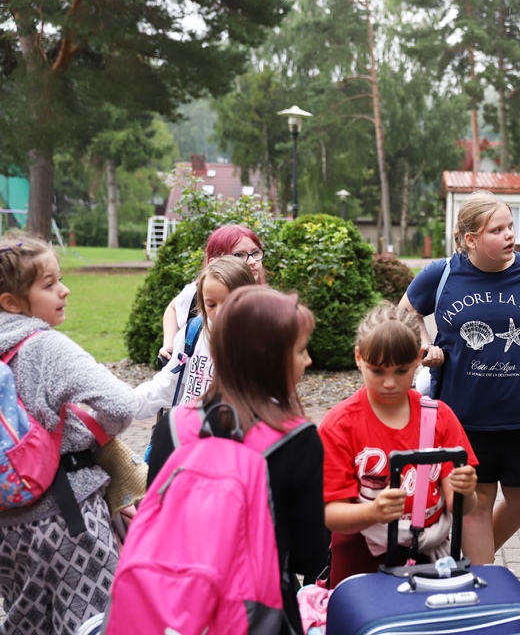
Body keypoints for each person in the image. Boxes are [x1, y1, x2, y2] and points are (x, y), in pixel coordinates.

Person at [400, 190, 520, 564]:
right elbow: (406, 311)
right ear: (470, 239)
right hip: (464, 419)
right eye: (497, 230)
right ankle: (482, 574)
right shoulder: (443, 274)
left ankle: (466, 561)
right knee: (477, 503)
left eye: (510, 226)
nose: (510, 234)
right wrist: (426, 345)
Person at [146, 286, 327, 634]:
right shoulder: (297, 439)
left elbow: (156, 524)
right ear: (269, 357)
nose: (308, 361)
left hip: (179, 611)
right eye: (301, 350)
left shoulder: (174, 426)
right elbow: (309, 556)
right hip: (261, 613)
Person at [0, 236, 144, 635]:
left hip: (7, 531)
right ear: (12, 302)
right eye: (49, 284)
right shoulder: (46, 347)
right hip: (70, 519)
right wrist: (93, 434)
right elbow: (122, 405)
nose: (64, 290)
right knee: (97, 625)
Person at [319, 303, 479, 586]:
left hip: (426, 561)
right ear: (359, 358)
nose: (390, 383)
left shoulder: (440, 417)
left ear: (418, 359)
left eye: (401, 371)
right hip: (359, 563)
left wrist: (467, 491)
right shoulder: (340, 425)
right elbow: (331, 515)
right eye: (378, 371)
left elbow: (460, 506)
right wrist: (373, 512)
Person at [136, 257, 256, 418]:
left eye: (229, 302)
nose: (219, 312)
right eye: (211, 305)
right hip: (186, 430)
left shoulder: (259, 343)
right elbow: (167, 386)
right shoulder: (194, 331)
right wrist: (126, 404)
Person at [159, 224, 266, 361]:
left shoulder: (269, 302)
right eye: (239, 255)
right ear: (214, 262)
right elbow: (173, 308)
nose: (252, 261)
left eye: (255, 252)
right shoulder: (197, 292)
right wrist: (169, 344)